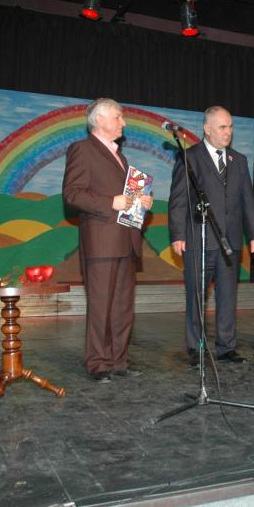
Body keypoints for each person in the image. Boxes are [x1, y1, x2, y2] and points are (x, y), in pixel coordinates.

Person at [63, 98, 153, 383]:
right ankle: (98, 363)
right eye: (118, 117)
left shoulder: (120, 157)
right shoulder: (82, 149)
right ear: (99, 120)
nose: (123, 122)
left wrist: (141, 202)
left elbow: (124, 198)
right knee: (101, 305)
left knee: (122, 307)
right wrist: (109, 202)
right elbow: (72, 194)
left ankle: (118, 361)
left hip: (126, 239)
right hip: (101, 242)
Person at [168, 106, 254, 367]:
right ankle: (195, 347)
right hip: (198, 240)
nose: (228, 132)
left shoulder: (238, 160)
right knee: (197, 297)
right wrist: (177, 234)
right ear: (207, 129)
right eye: (222, 127)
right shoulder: (189, 157)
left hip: (230, 242)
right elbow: (178, 200)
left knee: (228, 296)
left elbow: (248, 201)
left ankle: (226, 347)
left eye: (230, 126)